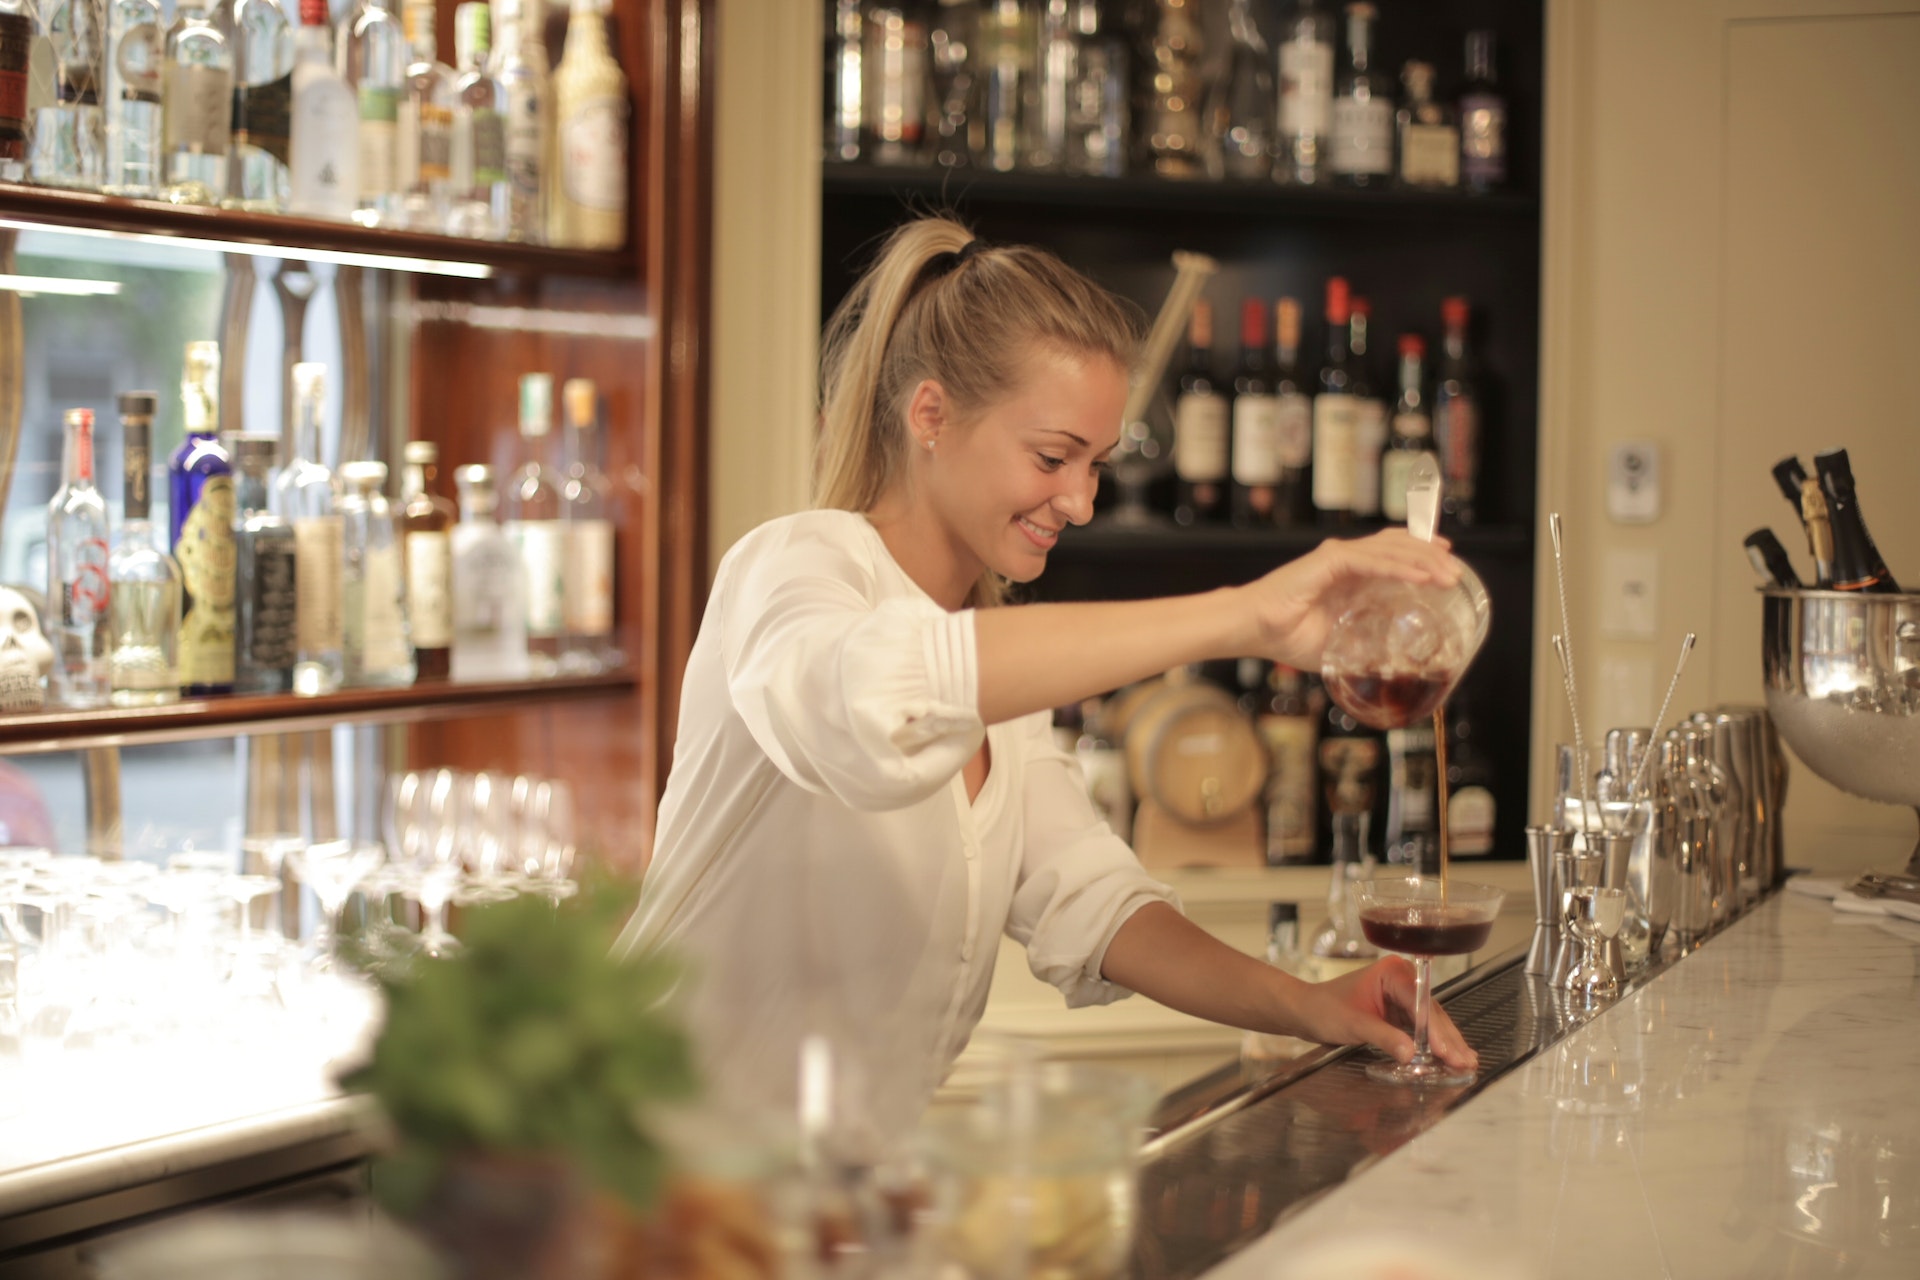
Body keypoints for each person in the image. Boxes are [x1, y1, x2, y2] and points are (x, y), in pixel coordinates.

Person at [616, 216, 1475, 1139]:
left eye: (1096, 465)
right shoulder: (792, 568)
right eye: (1052, 458)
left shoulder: (995, 667)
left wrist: (1314, 1005)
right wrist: (1246, 614)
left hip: (825, 1205)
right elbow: (872, 698)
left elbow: (1094, 902)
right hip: (645, 1170)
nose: (1082, 501)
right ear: (931, 416)